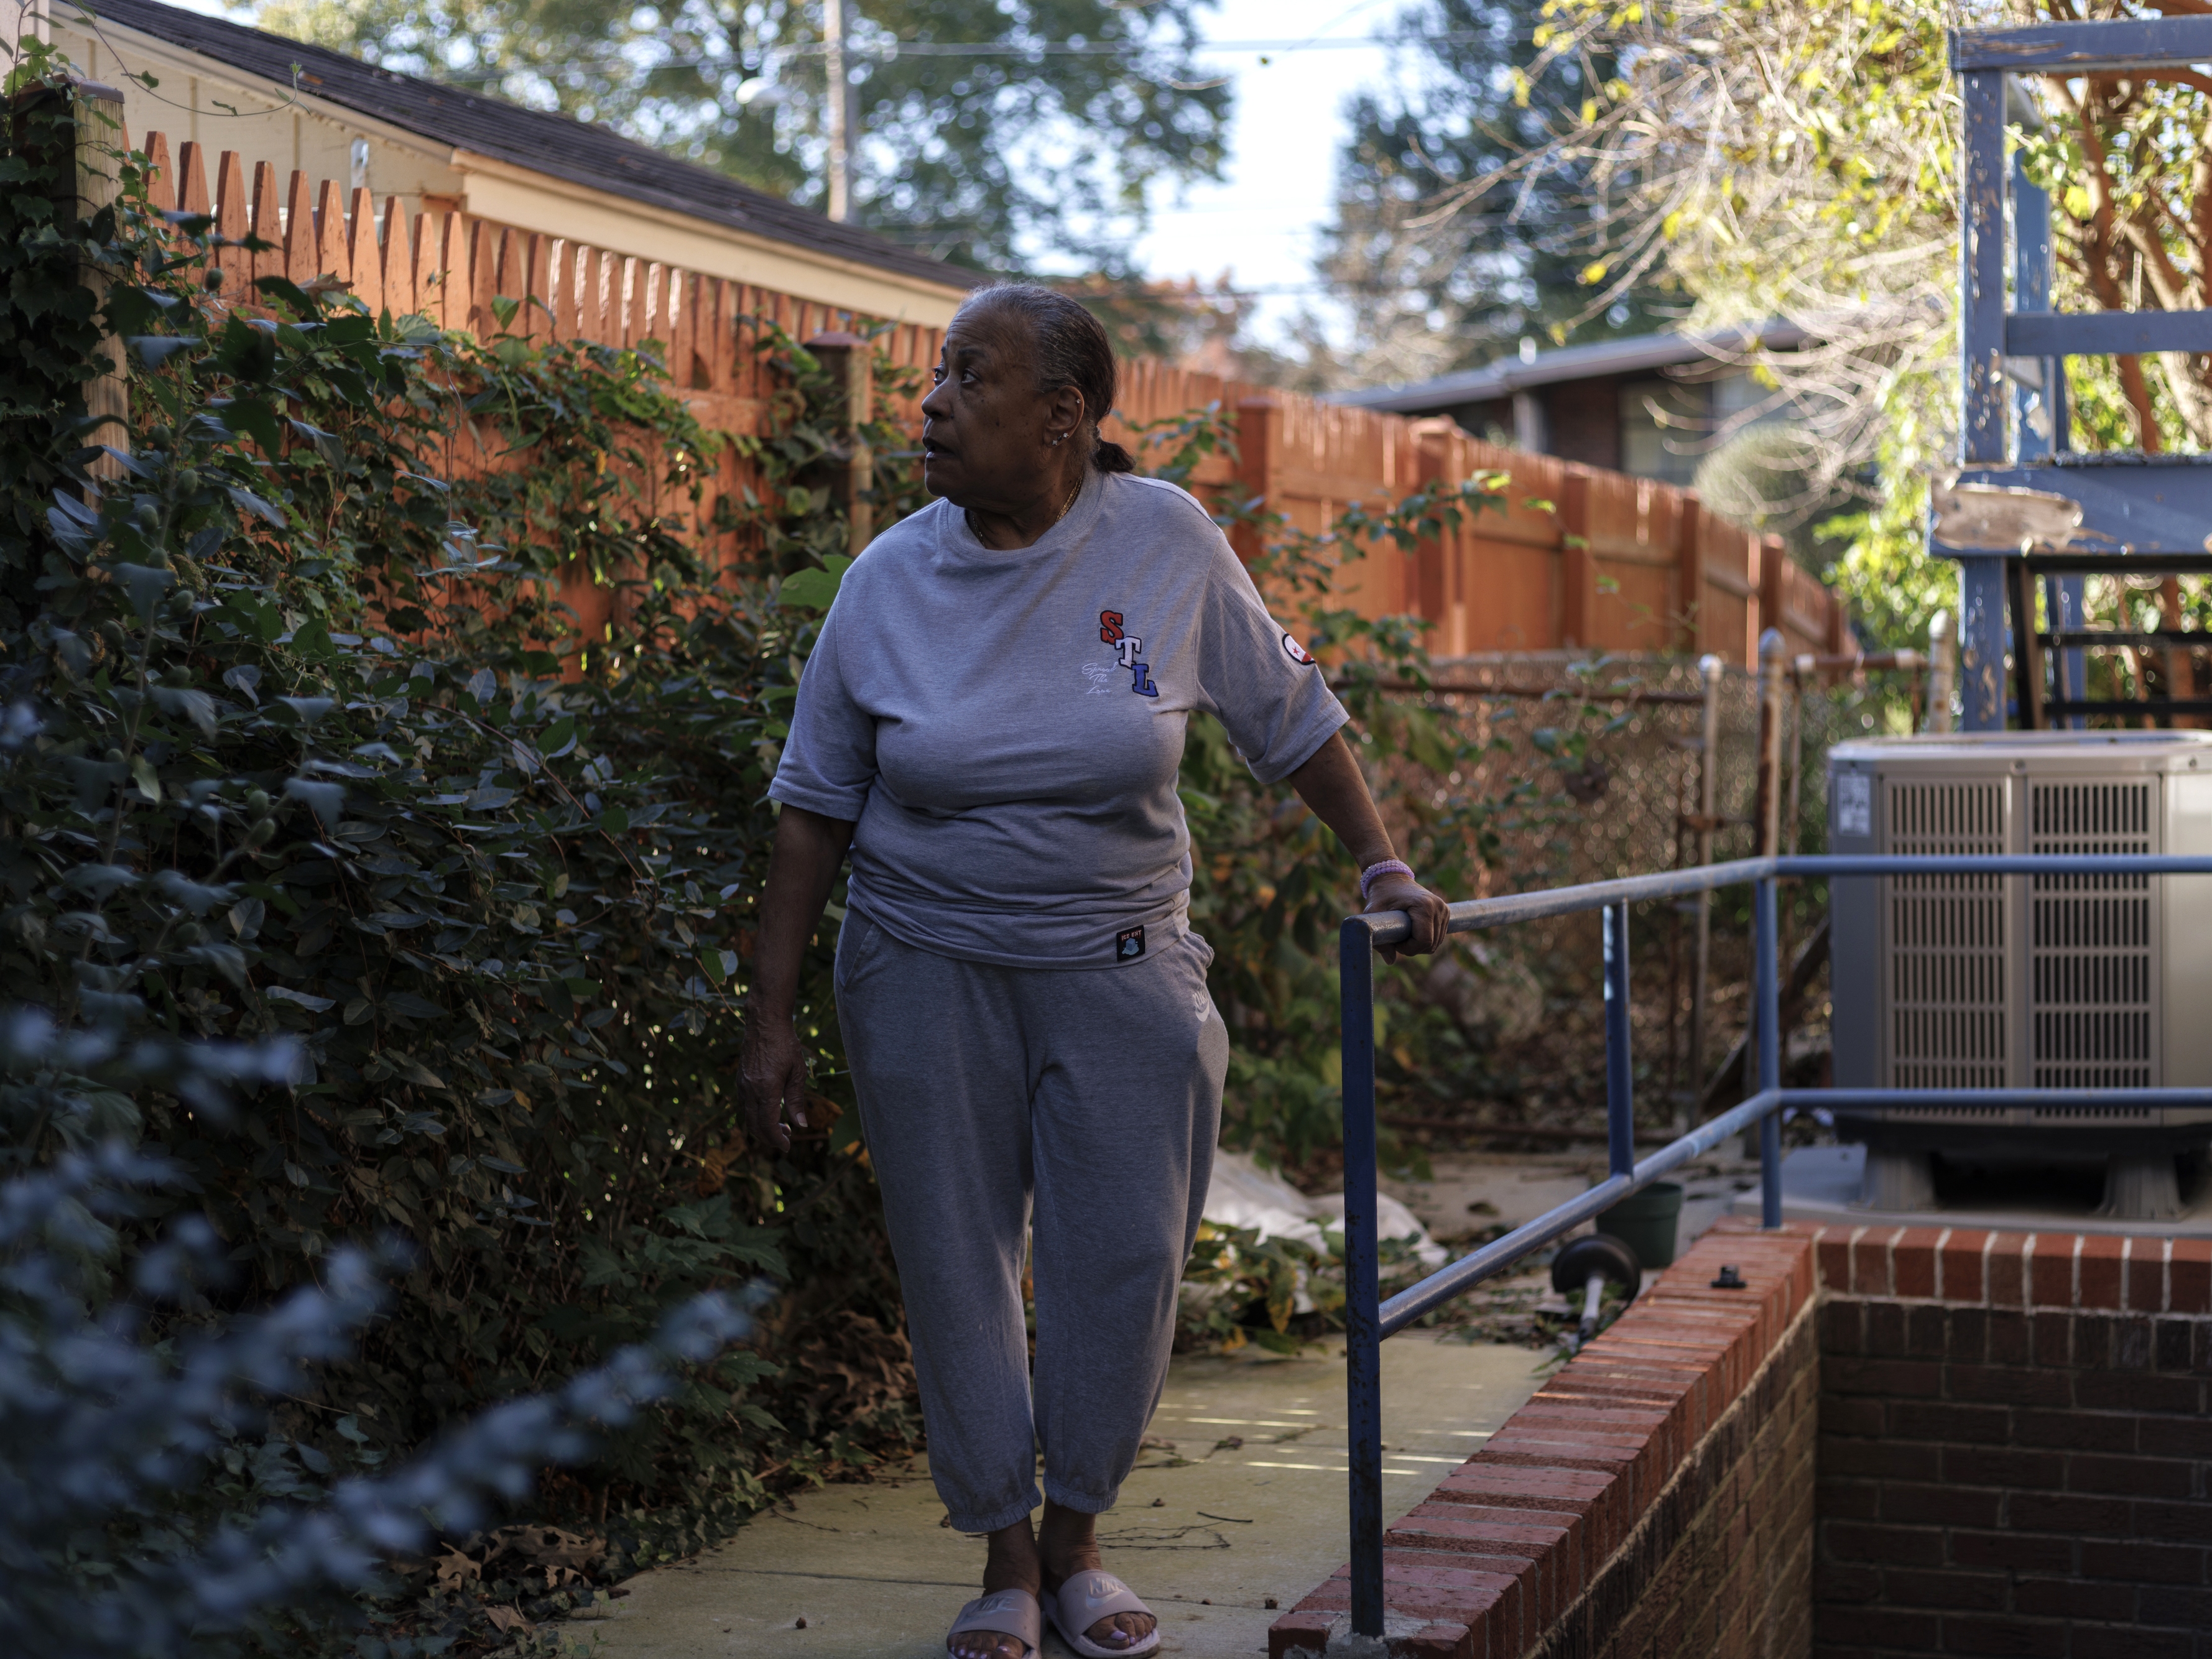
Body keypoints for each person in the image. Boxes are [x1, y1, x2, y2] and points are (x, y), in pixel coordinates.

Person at [738, 281, 1448, 1659]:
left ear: (1062, 418)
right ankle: (1004, 1553)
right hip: (924, 966)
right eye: (935, 375)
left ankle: (1079, 1539)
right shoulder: (888, 579)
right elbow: (813, 806)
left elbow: (1289, 718)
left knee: (1124, 1259)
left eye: (967, 376)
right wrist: (769, 1021)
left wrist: (1382, 864)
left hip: (1121, 964)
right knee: (956, 1262)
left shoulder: (1165, 541)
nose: (930, 401)